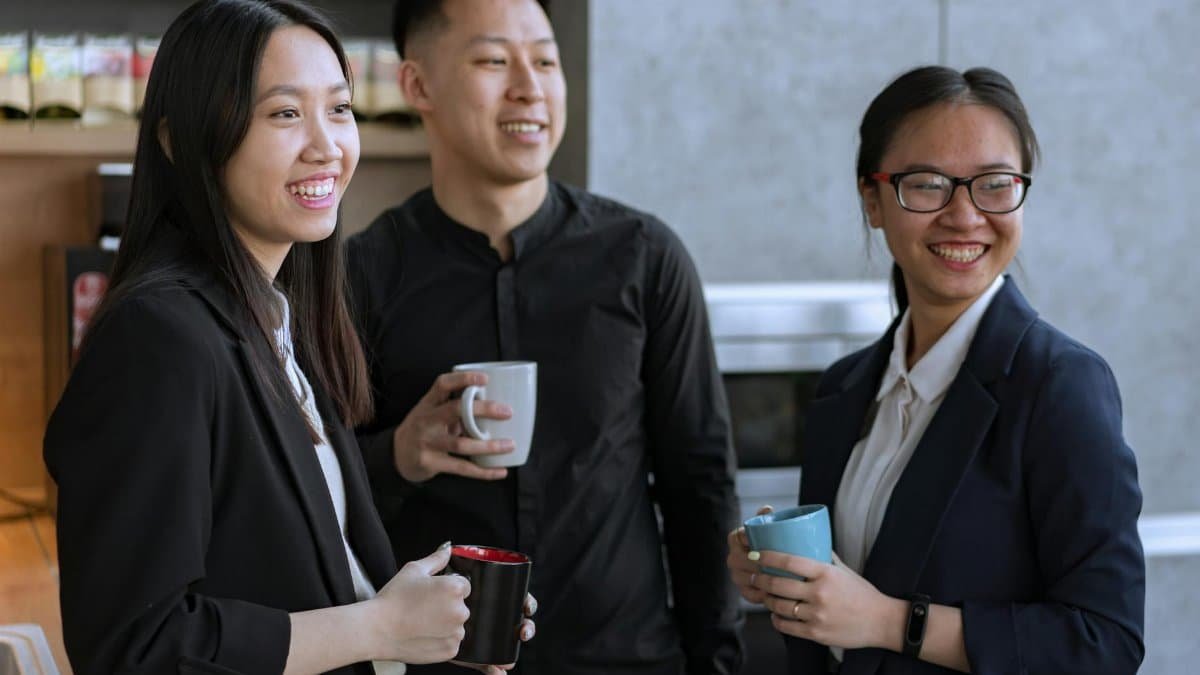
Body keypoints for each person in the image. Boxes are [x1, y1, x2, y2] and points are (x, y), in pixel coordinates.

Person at [43, 2, 532, 673]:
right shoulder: (157, 337)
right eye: (284, 113)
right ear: (179, 141)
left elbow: (305, 588)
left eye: (338, 108)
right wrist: (379, 627)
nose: (326, 145)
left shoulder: (278, 328)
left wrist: (421, 634)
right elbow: (136, 645)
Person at [345, 1, 743, 674]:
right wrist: (399, 455)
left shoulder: (644, 256)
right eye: (495, 60)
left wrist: (718, 662)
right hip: (434, 664)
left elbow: (700, 484)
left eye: (547, 61)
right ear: (418, 86)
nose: (530, 86)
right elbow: (314, 499)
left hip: (627, 657)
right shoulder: (361, 273)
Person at [727, 66, 1145, 674]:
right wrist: (778, 575)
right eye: (927, 185)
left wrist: (889, 622)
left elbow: (1104, 641)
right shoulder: (844, 388)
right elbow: (836, 608)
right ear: (872, 199)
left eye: (995, 184)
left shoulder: (1060, 385)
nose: (964, 215)